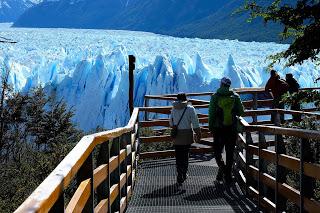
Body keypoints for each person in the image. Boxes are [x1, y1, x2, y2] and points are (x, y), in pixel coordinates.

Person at [208, 77, 244, 184]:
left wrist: (211, 127)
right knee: (229, 152)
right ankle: (227, 175)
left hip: (219, 129)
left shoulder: (215, 97)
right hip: (232, 129)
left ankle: (223, 170)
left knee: (217, 152)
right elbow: (241, 111)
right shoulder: (235, 96)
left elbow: (211, 114)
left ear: (221, 84)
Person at [169, 93, 201, 186]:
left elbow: (171, 123)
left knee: (178, 156)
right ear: (185, 99)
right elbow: (195, 122)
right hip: (187, 135)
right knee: (185, 154)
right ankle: (184, 173)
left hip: (177, 135)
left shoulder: (173, 109)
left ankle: (179, 174)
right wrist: (198, 133)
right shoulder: (190, 108)